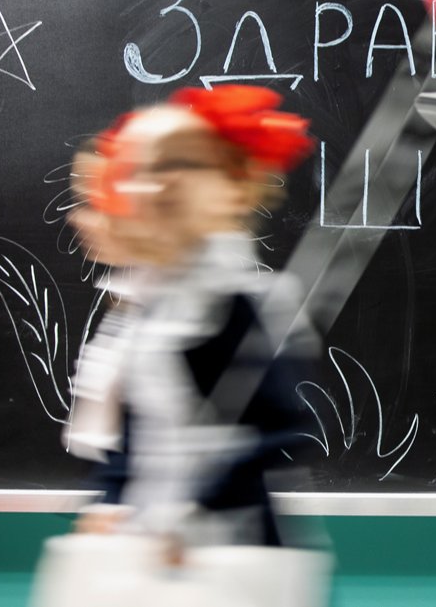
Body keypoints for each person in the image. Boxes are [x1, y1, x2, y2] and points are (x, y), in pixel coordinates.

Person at [63, 85, 318, 552]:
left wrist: (202, 502)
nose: (161, 184)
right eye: (144, 169)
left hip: (233, 549)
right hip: (147, 542)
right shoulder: (149, 307)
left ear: (233, 189)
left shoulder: (241, 303)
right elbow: (133, 434)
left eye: (180, 165)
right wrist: (112, 501)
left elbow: (278, 427)